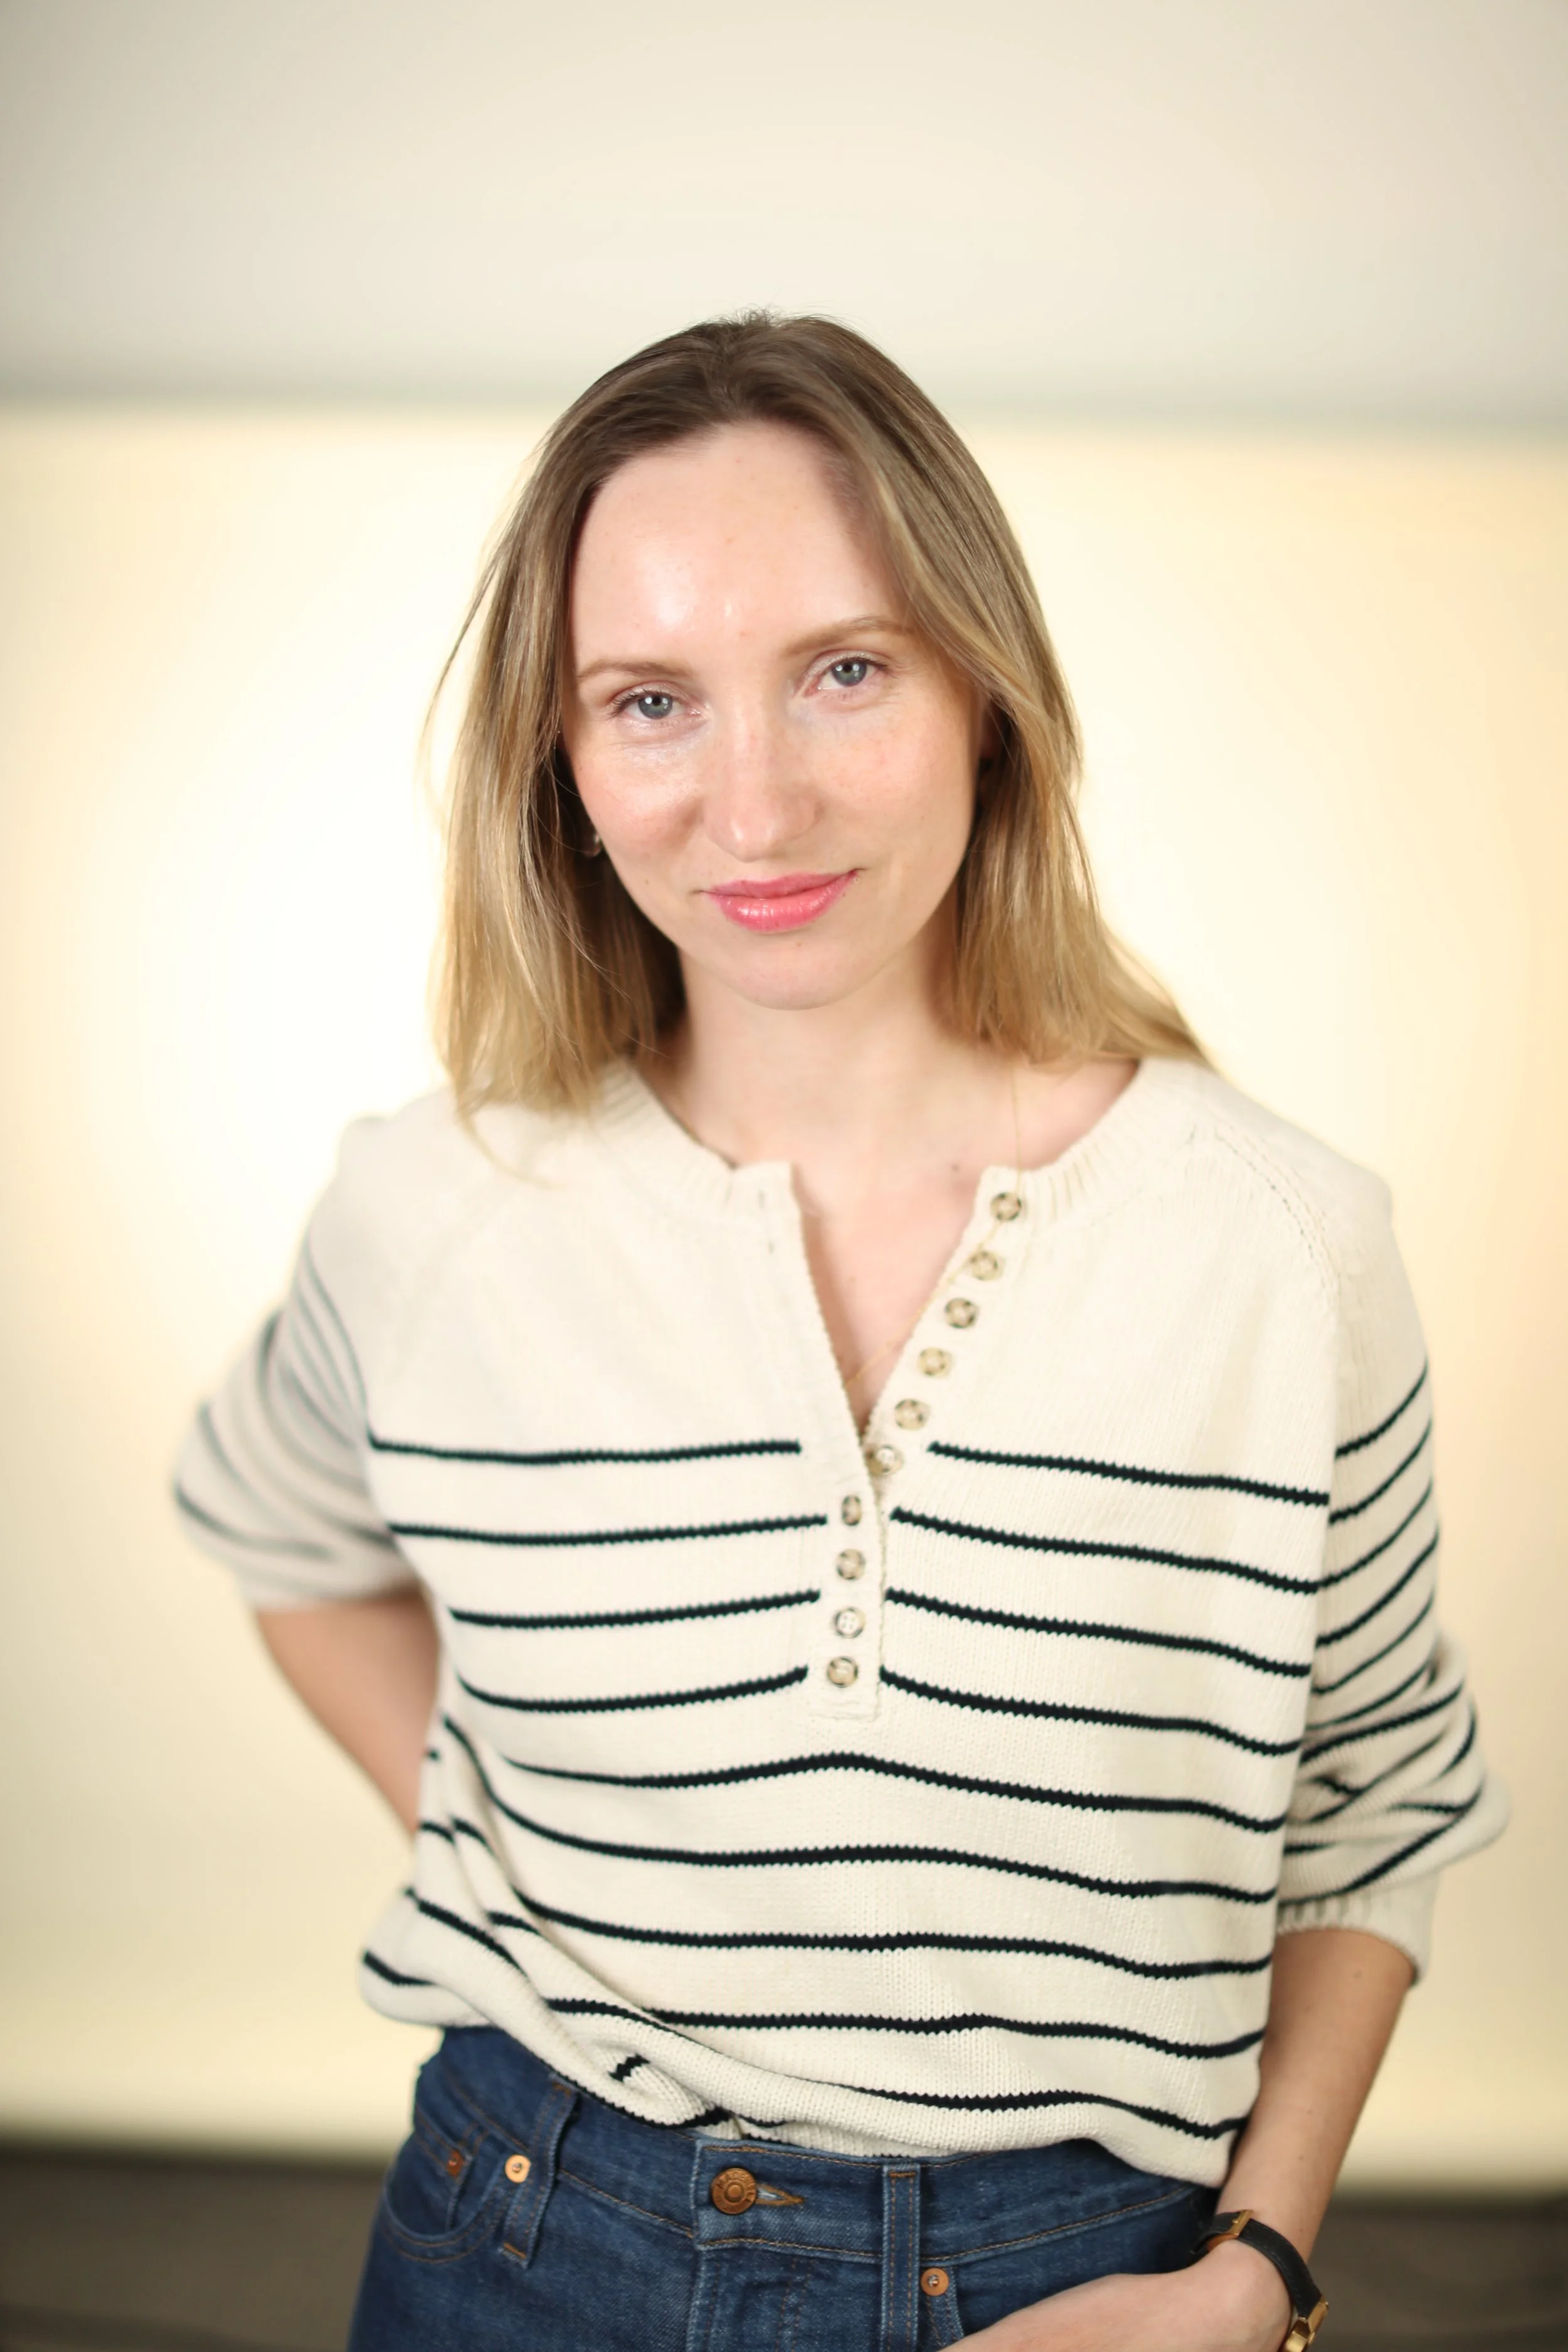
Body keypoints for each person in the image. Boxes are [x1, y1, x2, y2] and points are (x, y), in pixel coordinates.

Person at [176, 314, 1505, 2352]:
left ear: (990, 690)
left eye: (845, 669)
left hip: (1086, 2281)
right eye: (648, 701)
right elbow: (284, 1539)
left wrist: (1254, 2274)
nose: (755, 801)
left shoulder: (1281, 1249)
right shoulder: (426, 1209)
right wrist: (501, 1820)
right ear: (565, 758)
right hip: (521, 2243)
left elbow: (1368, 1796)